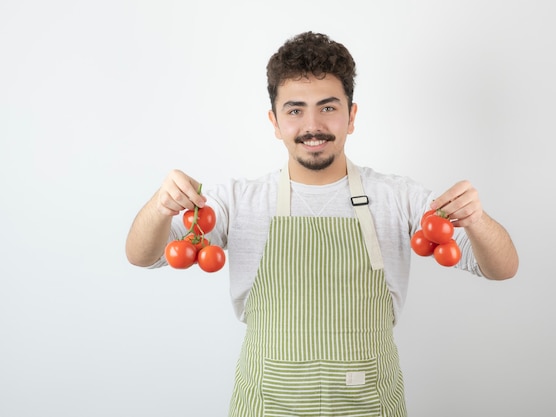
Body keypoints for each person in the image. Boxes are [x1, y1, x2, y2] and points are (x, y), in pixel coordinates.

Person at [125, 31, 518, 416]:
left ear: (351, 116)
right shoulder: (238, 201)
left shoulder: (398, 198)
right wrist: (160, 207)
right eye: (295, 110)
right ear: (275, 122)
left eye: (328, 107)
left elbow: (501, 268)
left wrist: (477, 219)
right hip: (267, 407)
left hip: (369, 405)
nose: (312, 125)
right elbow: (143, 256)